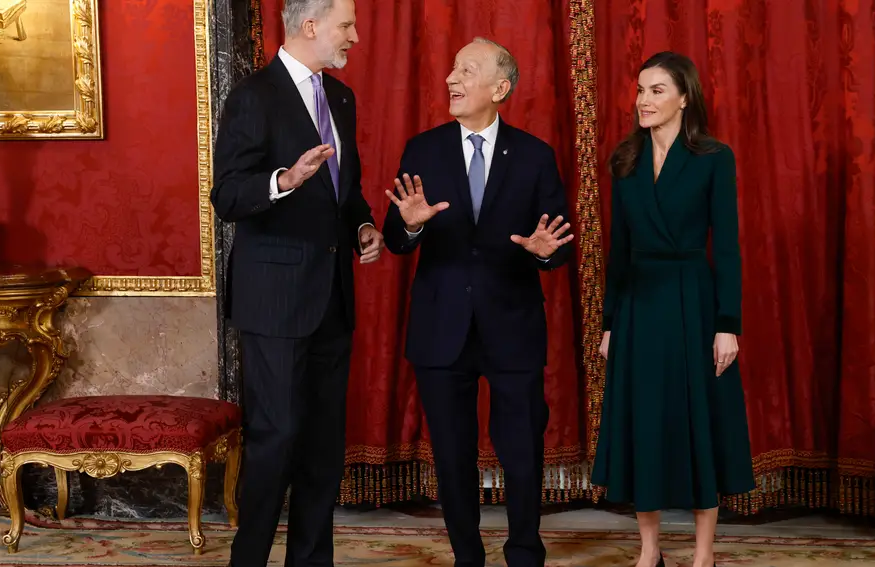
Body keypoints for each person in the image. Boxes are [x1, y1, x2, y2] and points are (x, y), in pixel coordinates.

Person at [382, 37, 573, 567]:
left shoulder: (535, 156)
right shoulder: (423, 149)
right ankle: (468, 556)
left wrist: (541, 253)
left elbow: (555, 247)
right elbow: (395, 240)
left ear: (500, 87)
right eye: (452, 68)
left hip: (512, 325)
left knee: (521, 452)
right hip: (441, 328)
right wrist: (409, 226)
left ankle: (524, 553)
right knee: (452, 455)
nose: (451, 78)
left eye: (467, 70)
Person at [209, 1, 384, 565]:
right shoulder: (253, 95)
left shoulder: (341, 98)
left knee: (323, 452)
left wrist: (361, 226)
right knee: (275, 441)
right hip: (276, 303)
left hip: (332, 299)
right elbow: (228, 196)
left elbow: (344, 189)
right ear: (311, 27)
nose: (354, 37)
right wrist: (284, 179)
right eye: (347, 25)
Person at [590, 51, 755, 567]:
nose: (643, 100)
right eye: (640, 89)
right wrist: (610, 322)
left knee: (702, 423)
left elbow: (725, 246)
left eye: (657, 90)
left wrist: (728, 325)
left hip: (694, 303)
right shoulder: (625, 159)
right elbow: (617, 250)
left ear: (685, 97)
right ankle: (649, 551)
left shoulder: (713, 157)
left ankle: (704, 553)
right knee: (643, 422)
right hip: (638, 307)